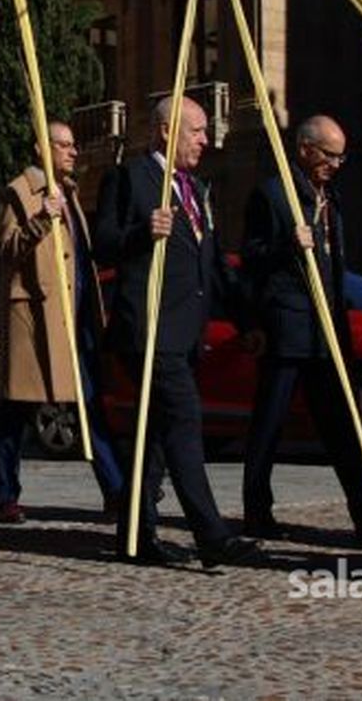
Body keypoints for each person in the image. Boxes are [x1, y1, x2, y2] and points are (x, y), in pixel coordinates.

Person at [94, 96, 263, 568]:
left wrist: (244, 321)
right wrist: (142, 232)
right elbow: (103, 246)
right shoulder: (130, 177)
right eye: (197, 131)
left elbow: (211, 266)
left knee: (154, 437)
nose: (207, 140)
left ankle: (137, 534)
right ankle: (211, 535)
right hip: (147, 329)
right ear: (167, 132)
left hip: (185, 333)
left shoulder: (196, 189)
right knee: (185, 421)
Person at [241, 115, 362, 540]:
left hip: (326, 333)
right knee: (269, 424)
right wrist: (287, 245)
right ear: (305, 149)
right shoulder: (273, 195)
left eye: (342, 157)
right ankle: (257, 510)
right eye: (329, 155)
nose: (336, 164)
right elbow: (250, 260)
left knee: (343, 425)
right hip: (288, 329)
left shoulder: (331, 199)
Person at [0, 121, 124, 523]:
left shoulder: (69, 192)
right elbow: (6, 249)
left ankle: (115, 489)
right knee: (16, 409)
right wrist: (38, 220)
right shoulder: (20, 191)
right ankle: (5, 495)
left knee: (88, 403)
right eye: (63, 145)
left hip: (74, 316)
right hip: (35, 315)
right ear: (41, 149)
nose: (73, 152)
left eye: (73, 144)